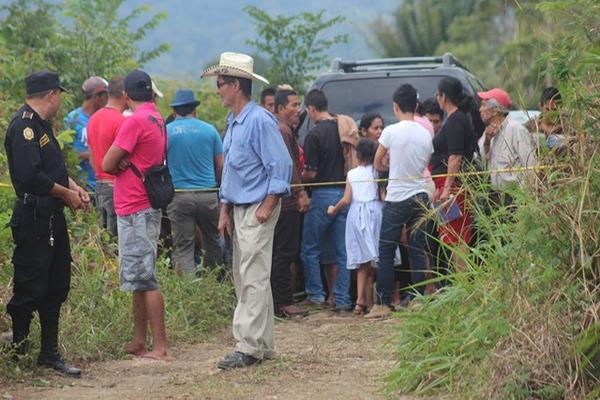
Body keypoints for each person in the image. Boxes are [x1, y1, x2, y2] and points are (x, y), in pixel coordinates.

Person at [201, 52, 292, 369]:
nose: (217, 90)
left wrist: (267, 206)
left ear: (236, 85)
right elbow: (231, 174)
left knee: (251, 275)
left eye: (221, 83)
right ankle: (262, 344)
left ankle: (248, 346)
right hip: (241, 206)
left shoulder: (258, 121)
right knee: (249, 275)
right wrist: (225, 209)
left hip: (256, 206)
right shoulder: (234, 123)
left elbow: (281, 166)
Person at [5, 71, 89, 377]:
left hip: (52, 216)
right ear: (51, 94)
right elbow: (32, 177)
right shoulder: (24, 127)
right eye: (60, 95)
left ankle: (49, 353)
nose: (60, 101)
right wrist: (66, 194)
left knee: (56, 284)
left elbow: (52, 169)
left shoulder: (42, 127)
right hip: (33, 218)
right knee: (30, 284)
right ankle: (19, 352)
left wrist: (73, 187)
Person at [102, 69, 171, 361]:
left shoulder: (137, 121)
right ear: (151, 93)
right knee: (138, 277)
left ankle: (160, 348)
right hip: (144, 205)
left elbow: (107, 162)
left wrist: (119, 162)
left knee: (146, 277)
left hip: (136, 206)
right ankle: (139, 340)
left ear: (127, 95)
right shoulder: (156, 117)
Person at [366, 84, 433, 319]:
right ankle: (417, 299)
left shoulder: (391, 132)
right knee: (417, 249)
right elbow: (426, 160)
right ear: (415, 106)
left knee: (386, 250)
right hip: (421, 195)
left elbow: (377, 161)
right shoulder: (427, 132)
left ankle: (383, 303)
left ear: (395, 106)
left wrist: (386, 165)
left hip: (397, 197)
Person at [301, 89, 352, 311]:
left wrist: (298, 178)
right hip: (344, 193)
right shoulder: (342, 128)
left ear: (311, 109)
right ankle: (342, 299)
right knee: (342, 251)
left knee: (309, 248)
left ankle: (316, 295)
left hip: (322, 195)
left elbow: (311, 173)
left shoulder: (314, 135)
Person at [166, 89, 224, 276]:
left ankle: (190, 291)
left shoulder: (166, 132)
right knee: (213, 240)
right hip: (208, 194)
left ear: (175, 112)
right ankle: (214, 283)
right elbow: (221, 165)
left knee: (183, 247)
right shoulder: (210, 130)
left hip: (179, 195)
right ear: (195, 110)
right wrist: (218, 190)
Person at [327, 139, 382, 315]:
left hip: (356, 215)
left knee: (362, 262)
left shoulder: (351, 174)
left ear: (357, 155)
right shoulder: (377, 173)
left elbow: (346, 199)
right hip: (374, 212)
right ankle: (371, 301)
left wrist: (333, 209)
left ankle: (360, 301)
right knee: (376, 259)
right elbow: (382, 195)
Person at [430, 77, 478, 270]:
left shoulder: (456, 120)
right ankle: (459, 283)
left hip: (452, 188)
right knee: (450, 236)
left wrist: (447, 190)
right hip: (443, 185)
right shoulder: (453, 119)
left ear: (443, 97)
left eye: (438, 94)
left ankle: (463, 283)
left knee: (457, 236)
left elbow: (455, 157)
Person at [271, 88, 310, 318]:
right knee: (284, 253)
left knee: (280, 252)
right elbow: (289, 167)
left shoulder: (282, 129)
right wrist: (301, 193)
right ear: (279, 108)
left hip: (281, 199)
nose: (298, 110)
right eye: (293, 105)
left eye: (298, 105)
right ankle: (283, 302)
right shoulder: (282, 130)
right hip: (286, 202)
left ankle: (279, 300)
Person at [478, 88, 538, 197]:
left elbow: (530, 165)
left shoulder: (515, 129)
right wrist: (487, 141)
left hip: (516, 196)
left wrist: (526, 198)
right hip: (497, 195)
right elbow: (482, 161)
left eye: (483, 105)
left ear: (495, 110)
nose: (480, 109)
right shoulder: (487, 133)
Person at [87, 76, 127, 236]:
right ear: (125, 95)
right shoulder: (122, 122)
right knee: (117, 241)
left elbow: (91, 159)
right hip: (116, 187)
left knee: (104, 241)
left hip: (98, 186)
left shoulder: (93, 119)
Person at [64, 76, 108, 192]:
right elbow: (65, 154)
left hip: (103, 185)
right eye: (105, 95)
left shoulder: (104, 119)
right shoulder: (72, 119)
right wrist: (89, 155)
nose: (107, 99)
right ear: (96, 96)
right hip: (82, 186)